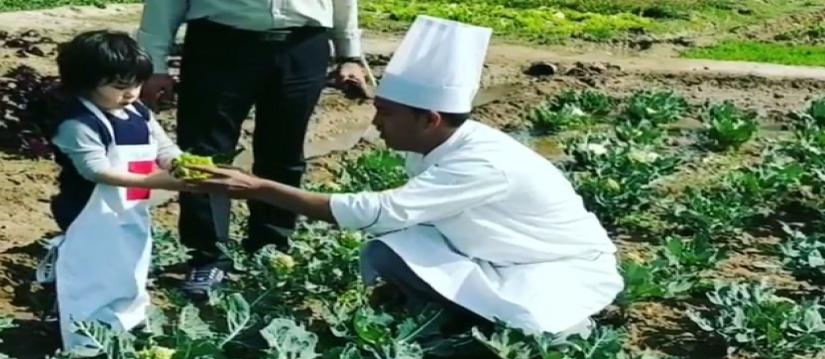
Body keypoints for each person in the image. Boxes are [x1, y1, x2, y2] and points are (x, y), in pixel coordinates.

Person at [185, 16, 624, 337]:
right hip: (492, 254)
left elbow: (382, 210)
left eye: (386, 114)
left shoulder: (481, 162)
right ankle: (460, 316)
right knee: (387, 254)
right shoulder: (435, 144)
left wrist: (255, 186)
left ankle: (577, 322)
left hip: (552, 268)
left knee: (540, 330)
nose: (376, 124)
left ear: (430, 118)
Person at [137, 0, 368, 299]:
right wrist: (154, 64)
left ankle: (271, 248)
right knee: (204, 153)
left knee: (284, 152)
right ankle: (209, 256)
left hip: (303, 45)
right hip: (220, 42)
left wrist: (350, 54)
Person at [38, 30, 186, 352]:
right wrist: (158, 182)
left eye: (135, 84)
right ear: (85, 83)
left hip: (130, 207)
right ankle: (82, 340)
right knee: (91, 274)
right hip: (87, 211)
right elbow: (96, 171)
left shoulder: (138, 114)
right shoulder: (78, 124)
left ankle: (125, 323)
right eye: (119, 87)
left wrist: (180, 164)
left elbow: (164, 148)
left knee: (130, 266)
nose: (131, 93)